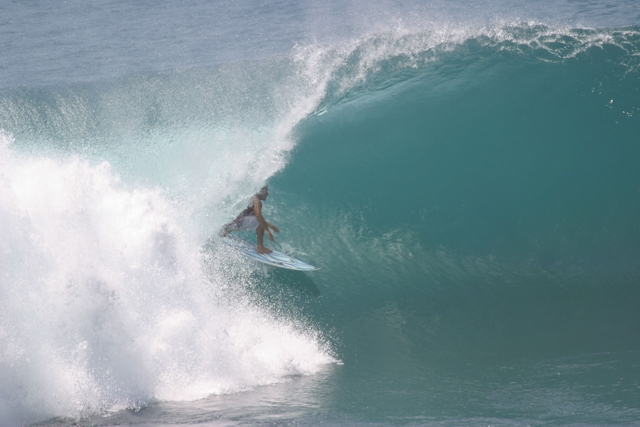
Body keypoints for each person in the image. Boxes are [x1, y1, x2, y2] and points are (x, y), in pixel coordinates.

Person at [220, 185, 280, 254]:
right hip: (236, 223)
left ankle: (224, 232)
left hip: (230, 223)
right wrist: (267, 230)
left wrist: (270, 225)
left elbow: (249, 216)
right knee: (259, 222)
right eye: (266, 191)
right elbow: (258, 216)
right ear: (261, 191)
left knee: (254, 218)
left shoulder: (250, 197)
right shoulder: (257, 201)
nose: (267, 193)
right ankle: (260, 247)